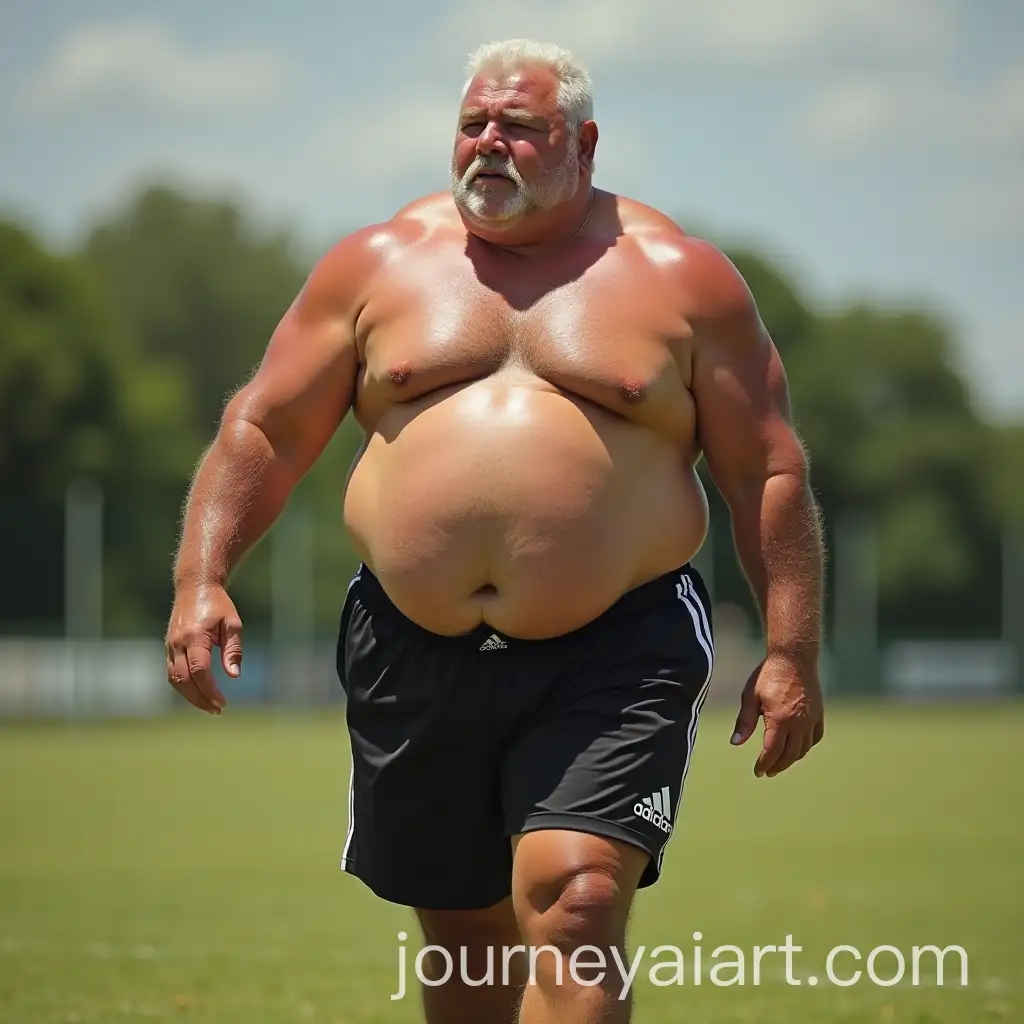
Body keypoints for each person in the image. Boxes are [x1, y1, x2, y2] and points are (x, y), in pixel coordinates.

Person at [164, 37, 825, 1024]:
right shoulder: (378, 264)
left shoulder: (680, 279)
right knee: (467, 936)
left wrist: (792, 646)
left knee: (577, 897)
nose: (489, 144)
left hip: (614, 642)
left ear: (585, 143)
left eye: (520, 126)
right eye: (473, 123)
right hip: (410, 644)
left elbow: (765, 467)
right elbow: (262, 427)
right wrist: (200, 575)